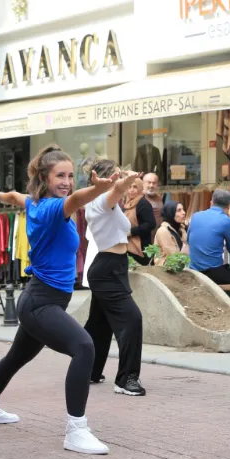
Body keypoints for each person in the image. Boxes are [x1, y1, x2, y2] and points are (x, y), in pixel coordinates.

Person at [0, 145, 117, 455]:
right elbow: (77, 199)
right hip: (41, 303)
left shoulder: (35, 203)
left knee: (16, 357)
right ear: (44, 178)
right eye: (59, 176)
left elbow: (15, 197)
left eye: (68, 175)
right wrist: (96, 189)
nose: (65, 181)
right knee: (84, 347)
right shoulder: (53, 208)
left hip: (38, 300)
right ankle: (76, 430)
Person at [83, 160, 145, 396]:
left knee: (99, 325)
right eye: (116, 176)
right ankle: (126, 379)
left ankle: (88, 369)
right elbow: (117, 190)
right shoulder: (99, 201)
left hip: (114, 266)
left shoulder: (112, 205)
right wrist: (125, 181)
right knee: (132, 319)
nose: (121, 181)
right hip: (107, 269)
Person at [187, 189, 230, 307]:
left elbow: (189, 240)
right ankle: (227, 307)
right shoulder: (226, 221)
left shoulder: (196, 216)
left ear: (211, 202)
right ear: (229, 206)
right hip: (213, 271)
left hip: (194, 268)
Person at [123, 178, 156, 266]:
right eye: (129, 187)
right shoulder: (127, 204)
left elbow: (151, 224)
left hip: (140, 248)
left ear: (140, 188)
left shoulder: (143, 203)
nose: (131, 190)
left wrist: (132, 232)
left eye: (135, 187)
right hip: (127, 246)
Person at [153, 201, 188, 266]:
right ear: (170, 213)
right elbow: (173, 255)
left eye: (183, 209)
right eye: (179, 210)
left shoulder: (181, 228)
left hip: (179, 265)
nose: (183, 213)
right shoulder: (163, 231)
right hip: (166, 268)